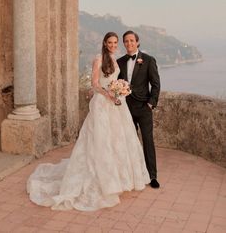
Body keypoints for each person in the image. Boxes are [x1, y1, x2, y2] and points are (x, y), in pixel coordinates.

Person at [27, 32, 150, 211]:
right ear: (105, 43)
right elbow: (94, 83)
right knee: (101, 141)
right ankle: (104, 181)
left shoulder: (115, 60)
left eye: (116, 43)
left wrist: (120, 89)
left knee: (118, 140)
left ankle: (120, 179)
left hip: (116, 104)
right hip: (102, 103)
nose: (114, 45)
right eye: (110, 42)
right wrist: (108, 93)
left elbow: (113, 80)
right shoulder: (99, 59)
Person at [117, 30, 161, 188]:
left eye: (131, 41)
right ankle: (132, 174)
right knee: (129, 142)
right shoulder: (119, 62)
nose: (129, 43)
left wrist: (151, 103)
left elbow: (155, 84)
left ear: (137, 42)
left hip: (143, 108)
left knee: (148, 141)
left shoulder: (148, 60)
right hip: (126, 108)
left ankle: (152, 176)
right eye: (126, 41)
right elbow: (116, 84)